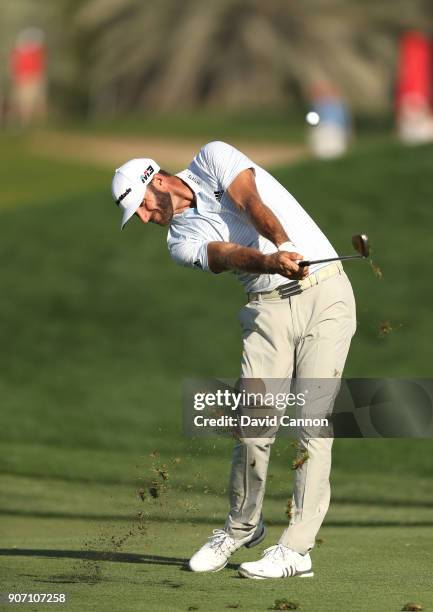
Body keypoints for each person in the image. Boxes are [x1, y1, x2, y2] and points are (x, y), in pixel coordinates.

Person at [111, 141, 357, 579]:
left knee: (313, 424)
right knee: (252, 426)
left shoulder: (213, 156)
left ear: (158, 181)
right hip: (266, 310)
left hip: (326, 294)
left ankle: (297, 549)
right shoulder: (179, 242)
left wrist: (284, 244)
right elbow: (224, 255)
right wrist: (269, 261)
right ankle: (243, 527)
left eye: (144, 207)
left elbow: (249, 199)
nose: (147, 219)